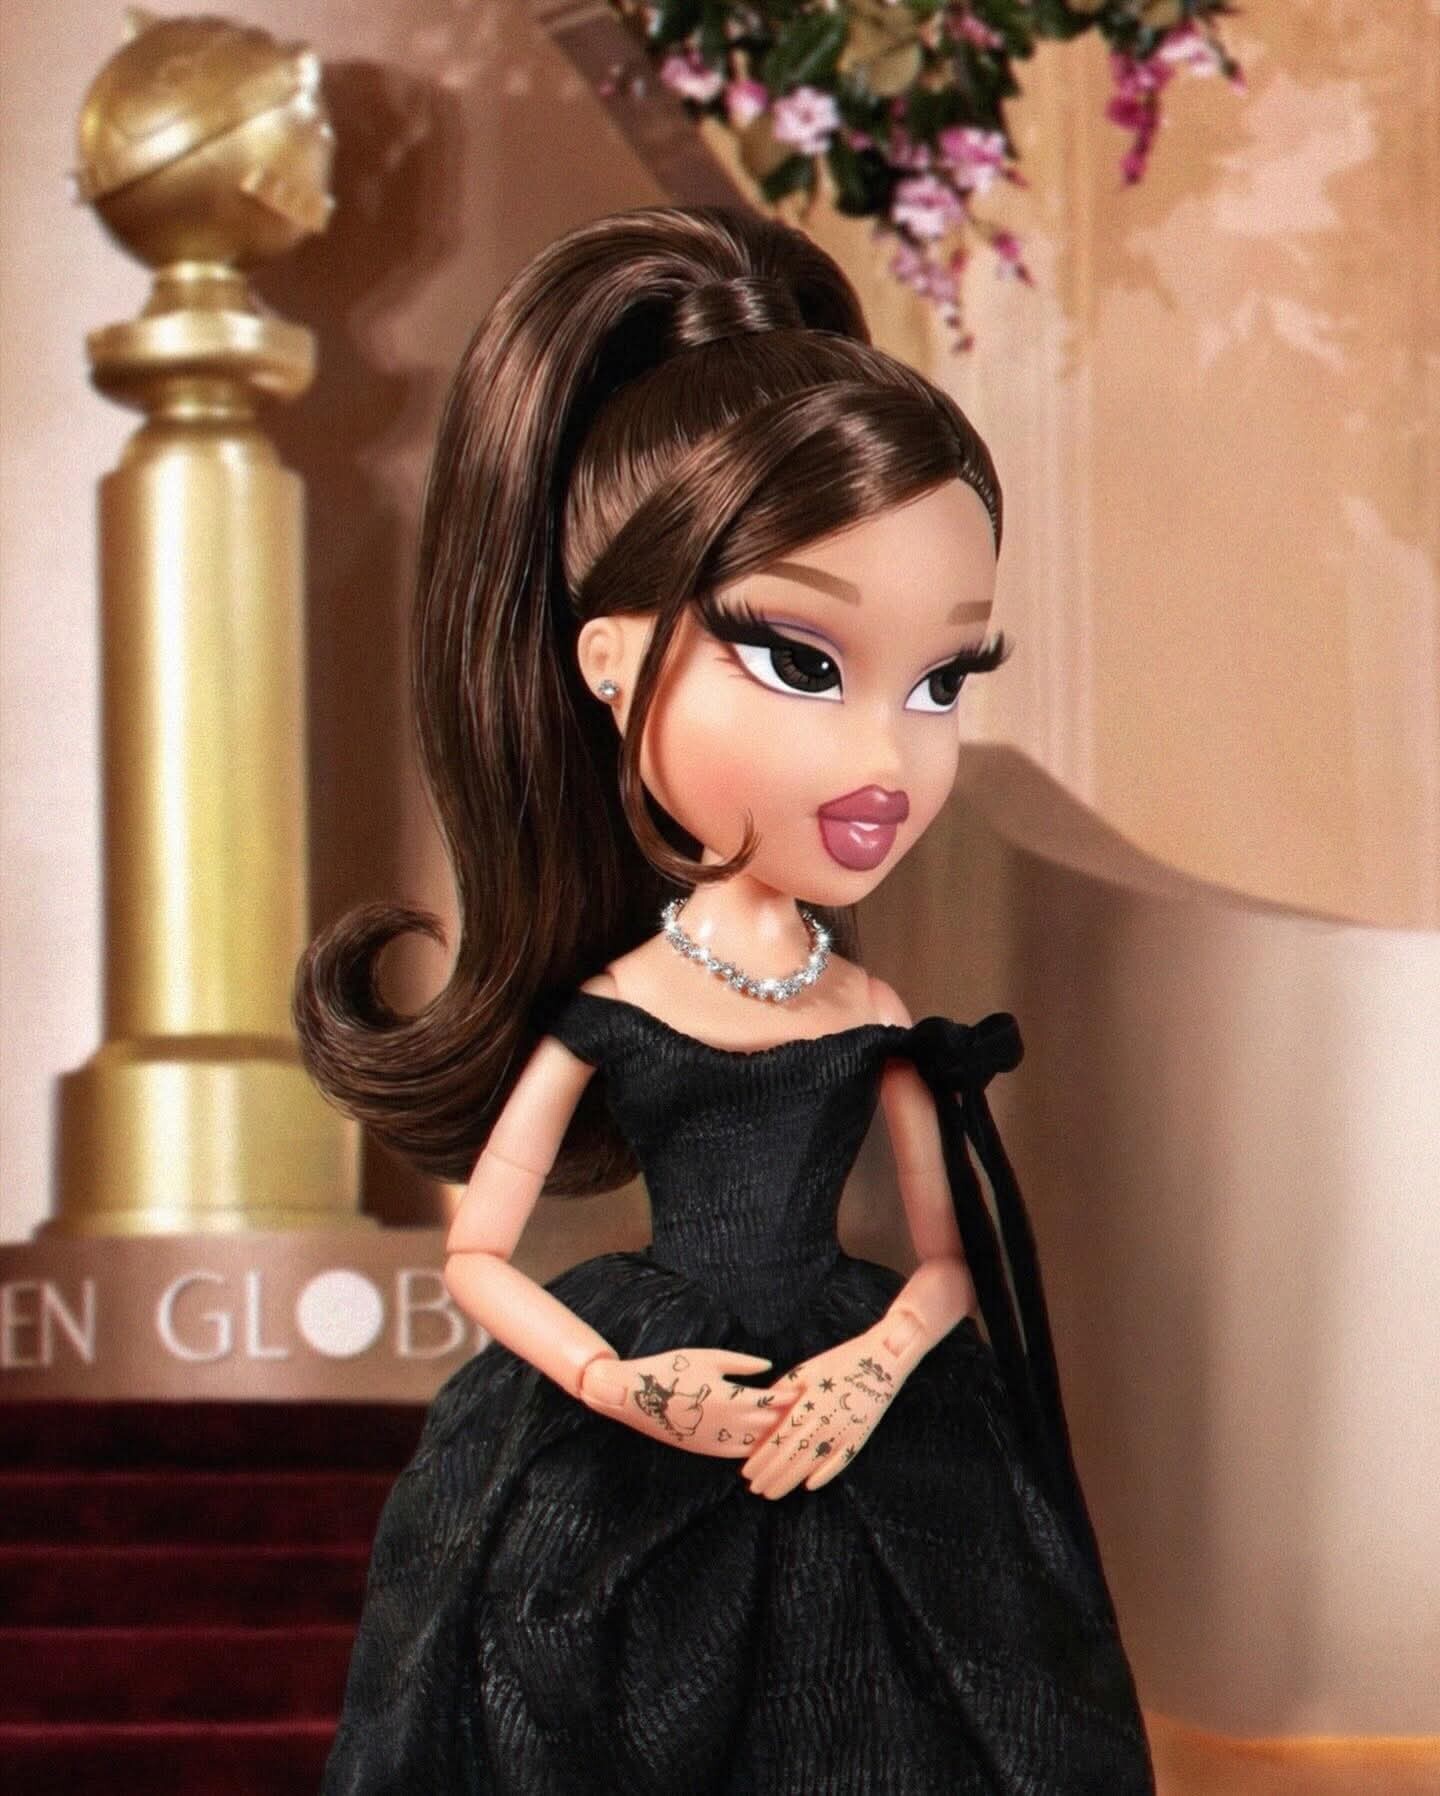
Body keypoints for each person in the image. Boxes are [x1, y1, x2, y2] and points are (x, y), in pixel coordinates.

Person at [295, 202, 1154, 1794]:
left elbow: (947, 1264)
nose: (889, 758)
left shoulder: (871, 1008)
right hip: (639, 1400)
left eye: (944, 680)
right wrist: (616, 1383)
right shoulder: (615, 1008)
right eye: (804, 663)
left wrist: (873, 1367)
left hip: (853, 1407)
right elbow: (479, 1257)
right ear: (612, 664)